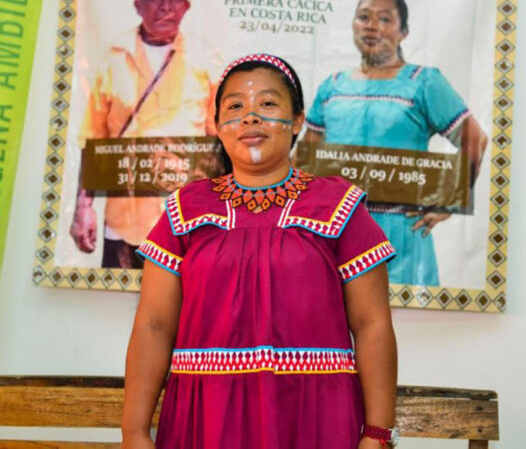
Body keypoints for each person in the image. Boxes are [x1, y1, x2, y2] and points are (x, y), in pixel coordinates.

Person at [122, 53, 400, 449]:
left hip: (314, 419)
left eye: (268, 104)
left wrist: (377, 435)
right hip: (205, 419)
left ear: (298, 120)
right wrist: (133, 432)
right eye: (235, 107)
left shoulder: (339, 206)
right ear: (217, 125)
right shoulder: (185, 209)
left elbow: (372, 325)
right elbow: (153, 325)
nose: (250, 117)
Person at [305, 0, 487, 287]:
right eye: (364, 17)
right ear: (352, 24)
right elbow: (310, 162)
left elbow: (474, 140)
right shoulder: (332, 87)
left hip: (401, 236)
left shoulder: (424, 83)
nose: (372, 26)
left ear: (403, 32)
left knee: (404, 329)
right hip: (335, 234)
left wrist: (448, 201)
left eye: (385, 19)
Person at [69, 0, 216, 269]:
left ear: (187, 7)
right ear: (138, 5)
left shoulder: (206, 59)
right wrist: (83, 208)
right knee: (115, 310)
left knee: (184, 314)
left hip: (187, 225)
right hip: (125, 223)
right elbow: (93, 139)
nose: (166, 7)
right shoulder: (114, 57)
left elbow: (221, 144)